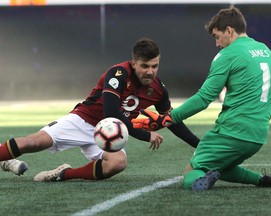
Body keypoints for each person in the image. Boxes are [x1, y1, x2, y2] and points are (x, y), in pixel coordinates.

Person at [0, 38, 200, 182]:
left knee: (117, 163)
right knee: (34, 142)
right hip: (83, 121)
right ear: (134, 63)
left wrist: (199, 145)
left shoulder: (158, 90)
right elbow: (111, 112)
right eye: (144, 66)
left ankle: (63, 174)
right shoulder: (119, 73)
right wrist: (144, 134)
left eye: (154, 66)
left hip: (108, 134)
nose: (150, 71)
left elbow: (171, 120)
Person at [132, 7, 271, 191]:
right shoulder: (267, 51)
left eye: (217, 36)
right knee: (220, 165)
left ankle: (200, 183)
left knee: (192, 171)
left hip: (232, 131)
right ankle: (262, 180)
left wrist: (168, 118)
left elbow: (204, 98)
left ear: (229, 31)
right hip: (259, 135)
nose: (217, 44)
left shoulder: (228, 54)